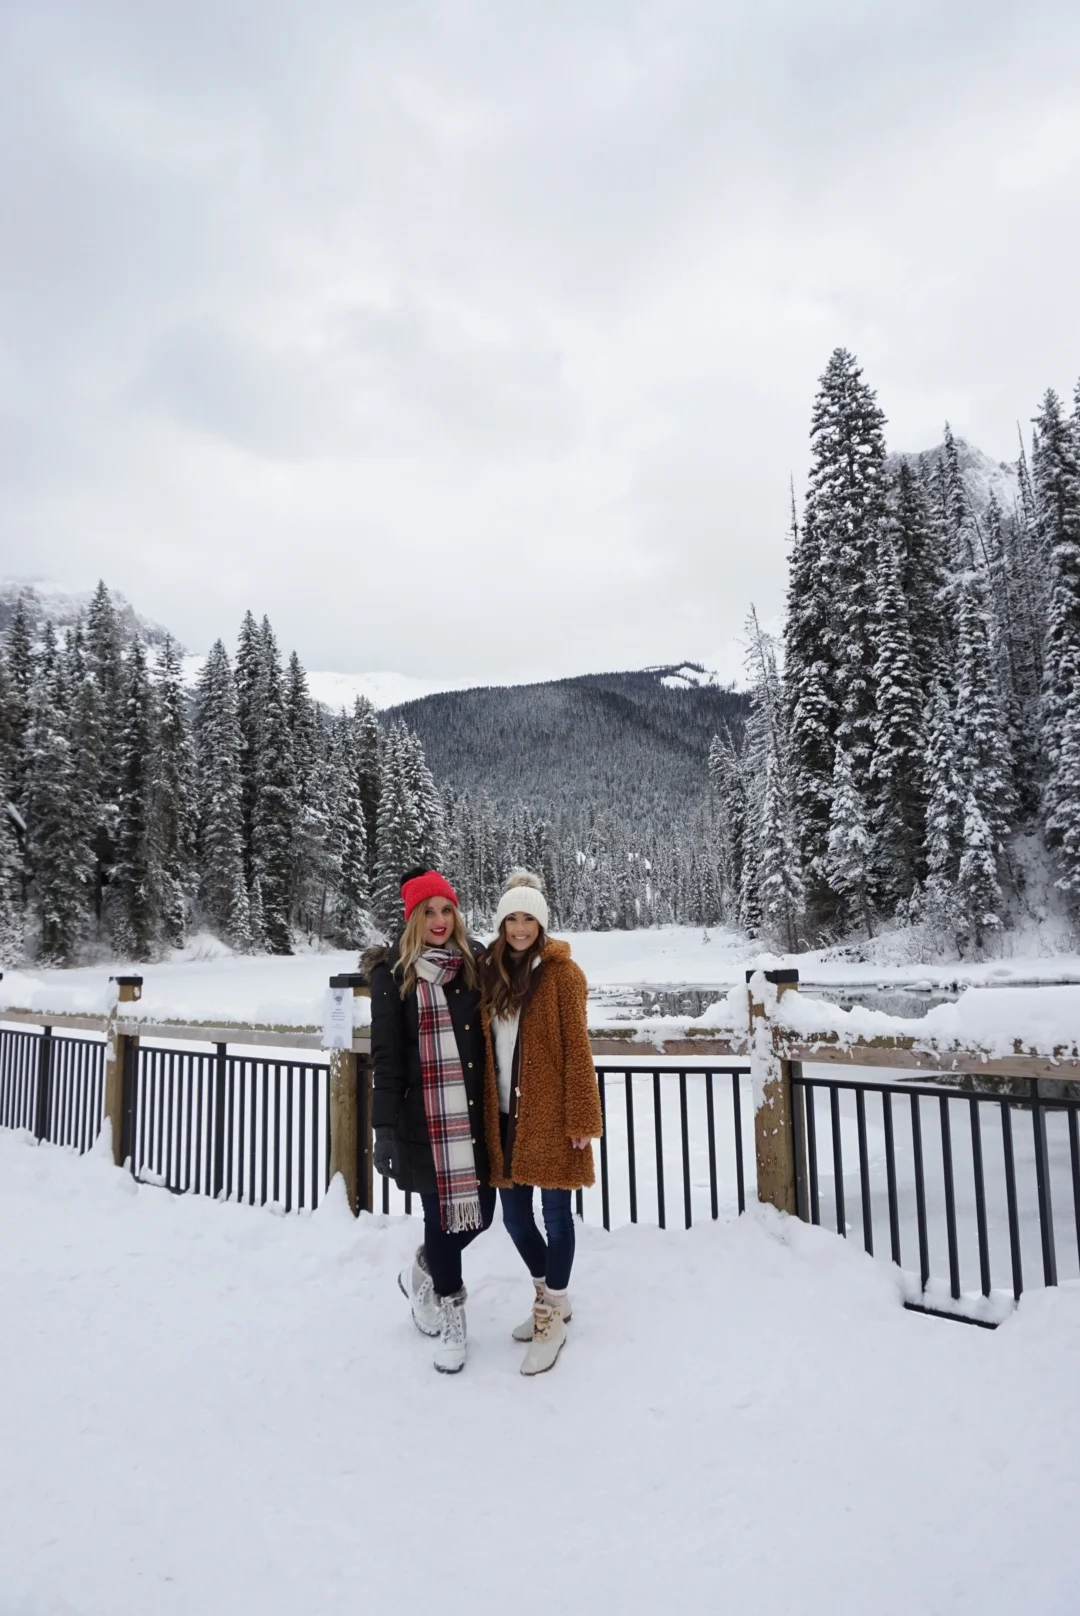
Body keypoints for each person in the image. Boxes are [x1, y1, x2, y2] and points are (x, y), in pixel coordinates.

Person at [365, 868, 494, 1374]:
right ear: (412, 918)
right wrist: (383, 1128)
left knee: (480, 1213)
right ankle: (451, 1309)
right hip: (425, 1123)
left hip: (472, 1117)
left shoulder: (472, 965)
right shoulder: (392, 977)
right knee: (441, 1219)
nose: (439, 921)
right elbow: (387, 1058)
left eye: (446, 910)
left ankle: (424, 1267)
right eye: (429, 912)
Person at [479, 870, 602, 1375]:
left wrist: (581, 1117)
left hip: (552, 1116)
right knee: (513, 1218)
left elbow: (579, 1050)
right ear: (502, 922)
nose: (521, 927)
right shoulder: (490, 972)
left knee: (556, 1217)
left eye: (529, 918)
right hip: (505, 1118)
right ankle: (551, 1294)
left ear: (542, 923)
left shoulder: (562, 975)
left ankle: (550, 1312)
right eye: (512, 917)